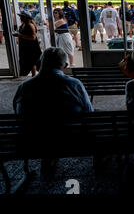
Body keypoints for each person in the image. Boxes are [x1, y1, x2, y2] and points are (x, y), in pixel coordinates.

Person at [13, 47, 94, 179]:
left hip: (31, 140)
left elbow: (17, 112)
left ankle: (48, 157)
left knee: (46, 126)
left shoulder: (24, 86)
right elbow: (89, 112)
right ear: (65, 65)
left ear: (41, 63)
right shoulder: (73, 84)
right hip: (70, 139)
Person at [12, 12, 42, 76]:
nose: (20, 18)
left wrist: (20, 35)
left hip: (31, 47)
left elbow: (33, 37)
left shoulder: (30, 25)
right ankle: (30, 76)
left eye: (22, 16)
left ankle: (33, 77)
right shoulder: (23, 24)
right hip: (26, 46)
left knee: (32, 62)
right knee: (28, 61)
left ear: (26, 17)